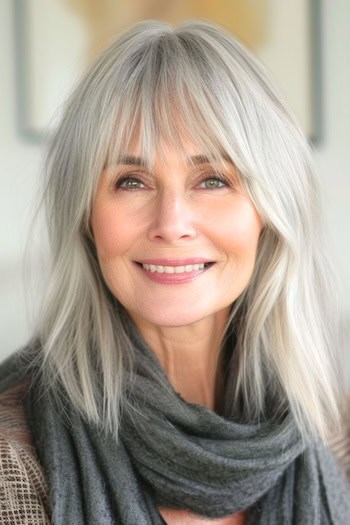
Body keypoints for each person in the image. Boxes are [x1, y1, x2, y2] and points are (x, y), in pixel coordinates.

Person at [0, 19, 349, 525]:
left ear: (269, 214)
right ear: (87, 218)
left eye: (212, 179)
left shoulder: (334, 431)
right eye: (131, 181)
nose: (171, 223)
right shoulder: (11, 467)